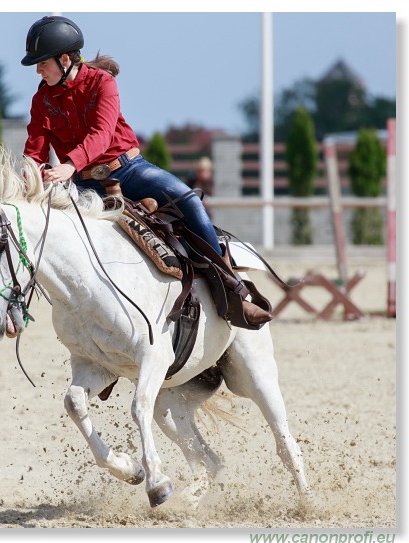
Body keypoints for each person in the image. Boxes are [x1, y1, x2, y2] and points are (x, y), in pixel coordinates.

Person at [20, 15, 271, 325]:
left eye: (42, 62)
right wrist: (28, 178)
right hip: (84, 186)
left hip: (129, 171)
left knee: (189, 201)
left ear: (65, 59)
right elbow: (35, 147)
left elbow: (101, 134)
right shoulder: (40, 99)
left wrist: (69, 165)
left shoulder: (103, 83)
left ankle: (233, 292)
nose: (37, 69)